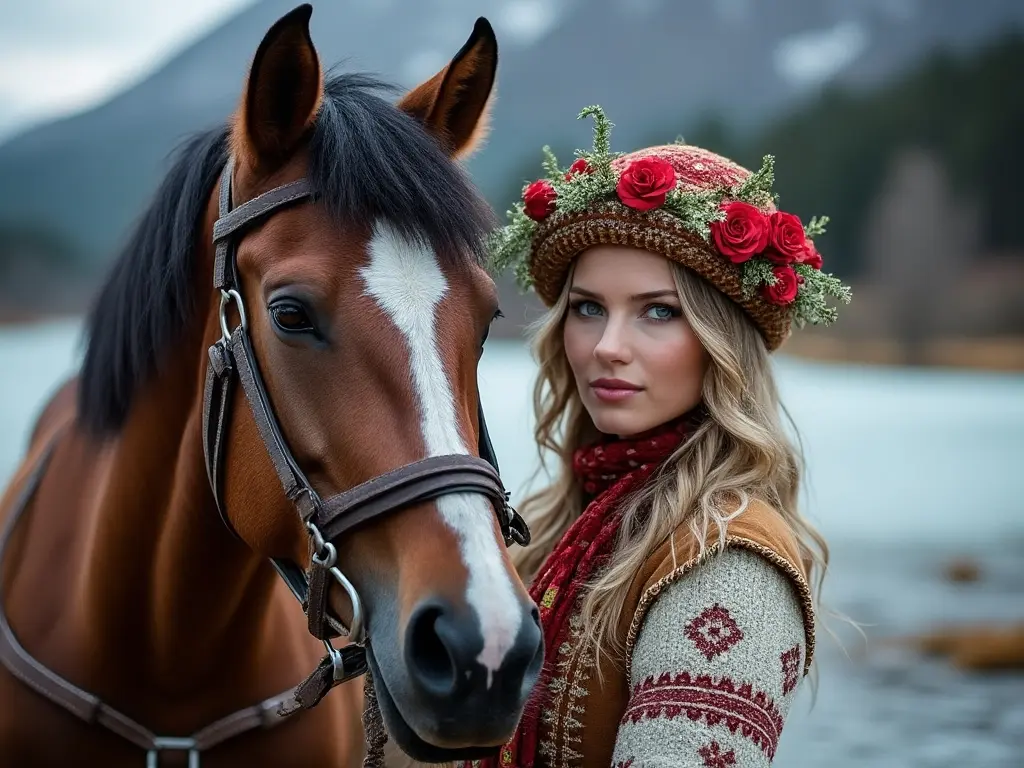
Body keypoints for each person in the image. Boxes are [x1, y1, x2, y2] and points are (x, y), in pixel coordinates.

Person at [473, 106, 852, 768]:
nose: (607, 348)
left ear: (720, 342)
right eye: (588, 308)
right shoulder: (548, 528)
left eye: (658, 312)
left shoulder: (730, 563)